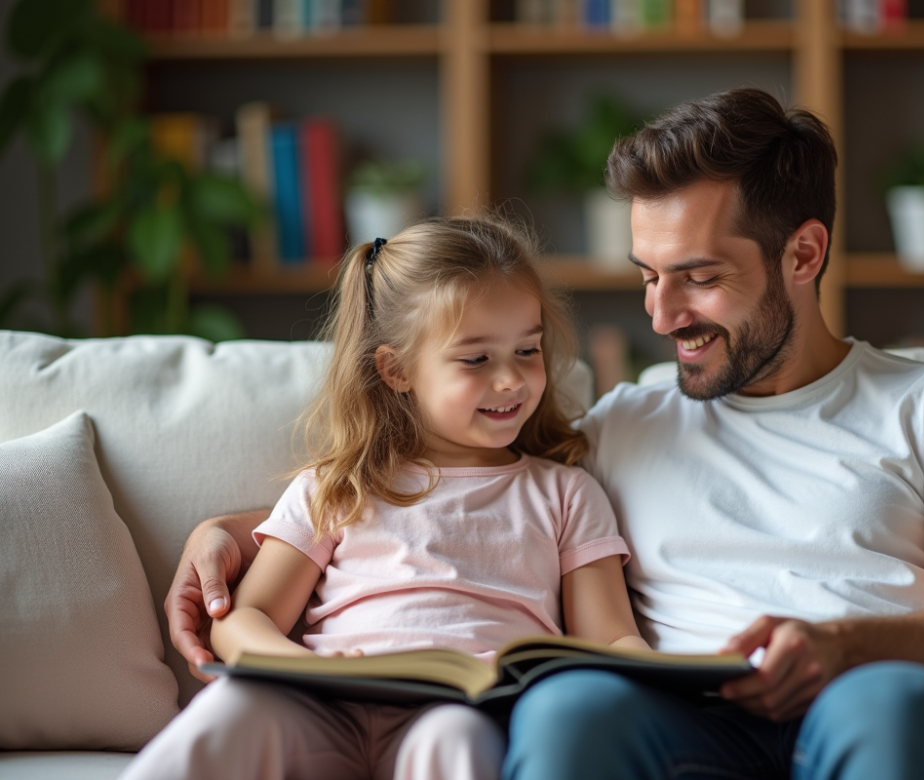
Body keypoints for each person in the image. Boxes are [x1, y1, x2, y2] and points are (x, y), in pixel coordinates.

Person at [166, 89, 924, 780]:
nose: (661, 313)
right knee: (570, 712)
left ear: (803, 254)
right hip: (704, 720)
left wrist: (848, 645)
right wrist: (235, 535)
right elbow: (447, 490)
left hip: (904, 702)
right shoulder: (628, 421)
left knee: (877, 711)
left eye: (699, 277)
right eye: (647, 275)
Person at [128, 217, 646, 780]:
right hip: (324, 705)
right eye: (476, 359)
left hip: (464, 708)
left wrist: (693, 677)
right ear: (396, 370)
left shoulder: (566, 492)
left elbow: (611, 637)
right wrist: (297, 668)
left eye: (527, 349)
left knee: (456, 740)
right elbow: (242, 618)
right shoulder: (339, 488)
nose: (511, 380)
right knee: (234, 709)